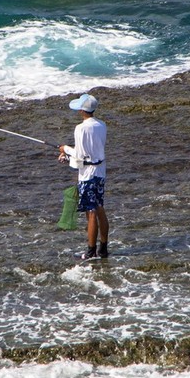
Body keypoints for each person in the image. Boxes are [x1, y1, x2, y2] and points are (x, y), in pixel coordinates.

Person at [58, 93, 109, 259]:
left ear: (82, 111)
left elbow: (79, 155)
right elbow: (89, 153)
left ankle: (90, 251)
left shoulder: (80, 128)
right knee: (99, 208)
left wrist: (65, 149)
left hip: (87, 176)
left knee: (91, 212)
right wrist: (68, 157)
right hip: (100, 172)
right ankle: (103, 248)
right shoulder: (102, 125)